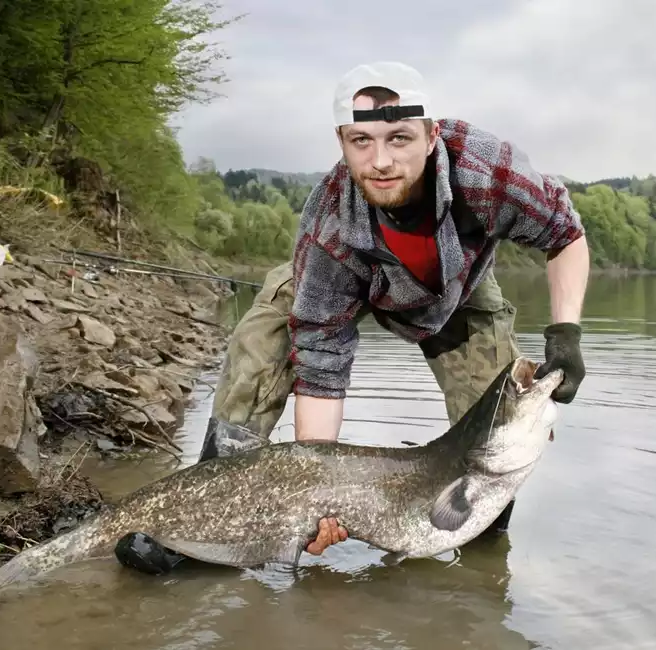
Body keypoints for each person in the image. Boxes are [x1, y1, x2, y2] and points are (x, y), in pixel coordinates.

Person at [114, 61, 589, 574]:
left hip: (457, 291)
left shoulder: (489, 173)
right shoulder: (328, 226)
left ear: (431, 136)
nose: (380, 160)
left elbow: (565, 236)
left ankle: (481, 528)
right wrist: (314, 498)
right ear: (341, 141)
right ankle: (204, 516)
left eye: (399, 138)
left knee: (499, 415)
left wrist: (565, 333)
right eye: (361, 140)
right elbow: (321, 363)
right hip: (343, 281)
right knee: (265, 336)